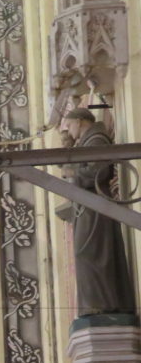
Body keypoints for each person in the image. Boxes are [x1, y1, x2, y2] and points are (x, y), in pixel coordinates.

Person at [61, 107, 137, 318]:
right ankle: (95, 303)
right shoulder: (87, 142)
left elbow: (98, 172)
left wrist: (71, 173)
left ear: (81, 121)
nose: (68, 130)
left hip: (95, 209)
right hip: (87, 208)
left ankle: (102, 304)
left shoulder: (96, 140)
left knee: (90, 252)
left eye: (69, 124)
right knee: (85, 254)